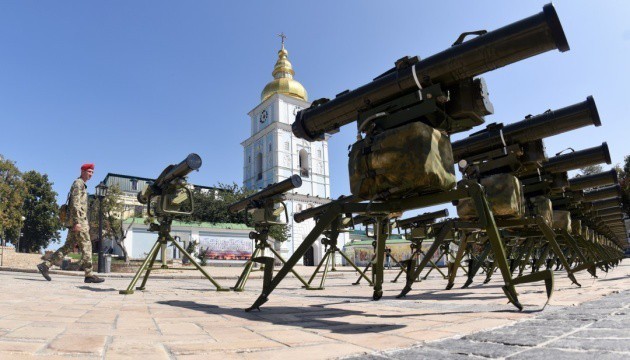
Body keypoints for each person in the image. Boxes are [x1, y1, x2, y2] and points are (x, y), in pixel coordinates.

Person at [37, 163, 104, 283]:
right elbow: (75, 203)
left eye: (92, 172)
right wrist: (78, 222)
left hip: (76, 221)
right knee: (87, 246)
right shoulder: (78, 184)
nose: (91, 174)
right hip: (79, 222)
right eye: (89, 171)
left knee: (67, 247)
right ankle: (89, 275)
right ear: (82, 171)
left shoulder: (81, 185)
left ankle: (45, 265)